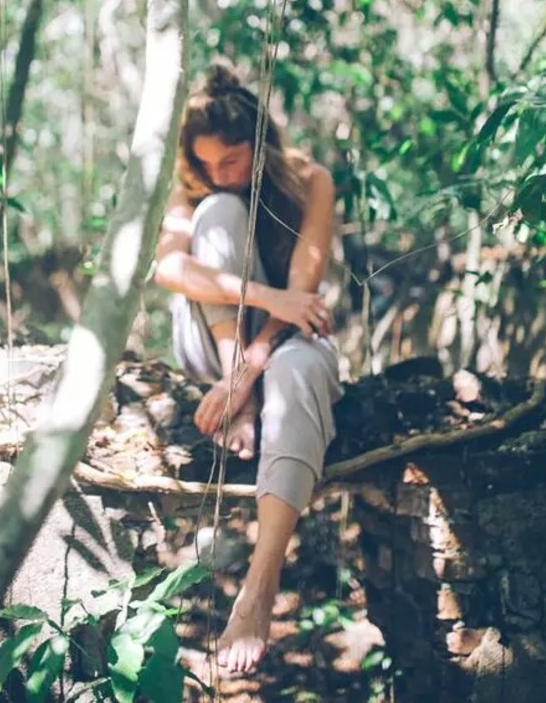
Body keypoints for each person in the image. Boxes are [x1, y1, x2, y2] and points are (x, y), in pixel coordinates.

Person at [154, 63, 342, 674]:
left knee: (300, 373)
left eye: (230, 161)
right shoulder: (196, 189)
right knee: (217, 215)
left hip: (283, 345)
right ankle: (247, 392)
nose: (217, 173)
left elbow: (303, 298)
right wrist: (256, 319)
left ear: (260, 145)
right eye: (205, 163)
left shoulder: (312, 180)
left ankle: (260, 587)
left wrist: (253, 369)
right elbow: (170, 271)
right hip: (212, 344)